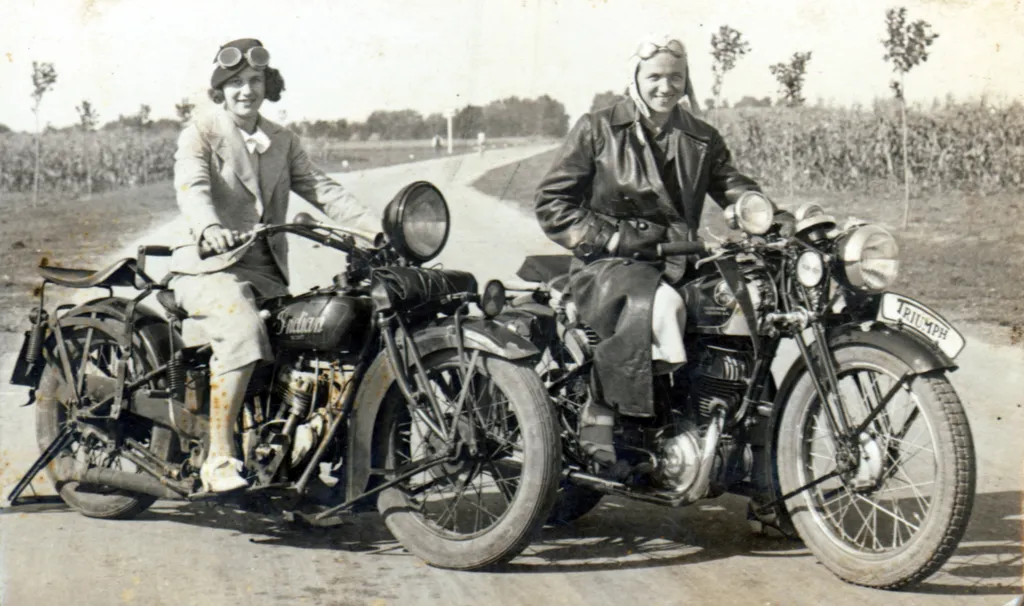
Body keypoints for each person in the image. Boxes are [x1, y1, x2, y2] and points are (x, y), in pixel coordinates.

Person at [535, 35, 787, 479]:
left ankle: (745, 450)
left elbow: (732, 184)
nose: (665, 86)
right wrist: (612, 238)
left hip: (678, 260)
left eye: (675, 76)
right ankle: (607, 412)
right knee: (662, 305)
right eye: (654, 77)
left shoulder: (701, 136)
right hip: (607, 265)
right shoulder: (598, 128)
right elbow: (553, 203)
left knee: (743, 308)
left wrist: (761, 213)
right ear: (635, 79)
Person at [168, 38, 379, 493]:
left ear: (268, 85)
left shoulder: (282, 140)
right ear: (221, 90)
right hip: (208, 268)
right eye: (236, 82)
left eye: (255, 80)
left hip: (265, 273)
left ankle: (297, 457)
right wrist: (208, 227)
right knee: (242, 331)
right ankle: (219, 456)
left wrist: (376, 233)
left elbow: (324, 191)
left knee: (319, 342)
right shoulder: (201, 132)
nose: (247, 90)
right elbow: (193, 186)